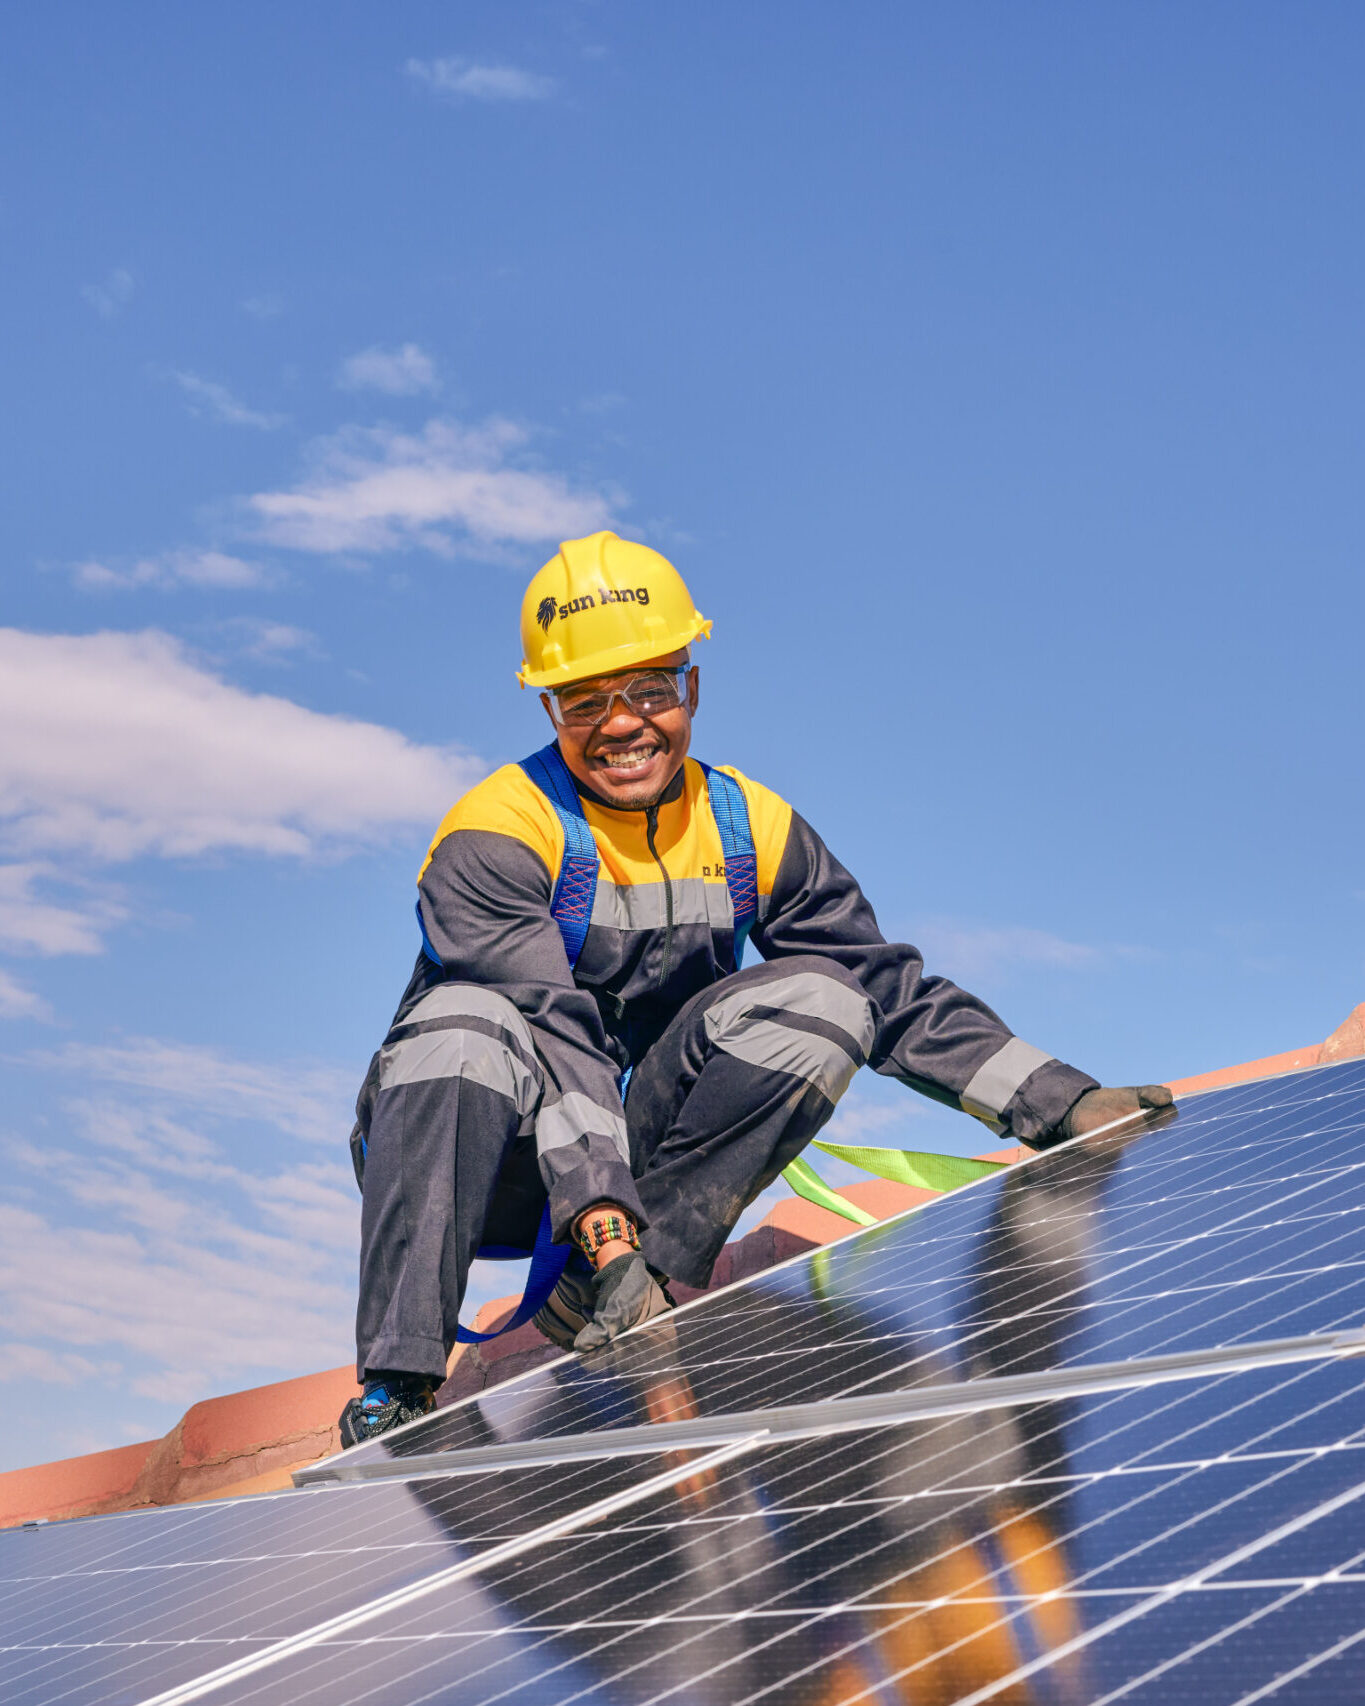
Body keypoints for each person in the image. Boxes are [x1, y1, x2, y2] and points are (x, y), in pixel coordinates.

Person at [340, 531, 1171, 1444]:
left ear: (691, 687)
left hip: (640, 1149)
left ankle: (619, 1290)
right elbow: (554, 1029)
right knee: (463, 1023)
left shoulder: (749, 826)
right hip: (489, 1164)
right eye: (586, 701)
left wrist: (1058, 1101)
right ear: (549, 709)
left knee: (823, 999)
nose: (622, 724)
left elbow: (881, 986)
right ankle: (400, 1382)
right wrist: (599, 1224)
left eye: (649, 689)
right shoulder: (496, 830)